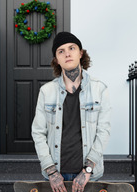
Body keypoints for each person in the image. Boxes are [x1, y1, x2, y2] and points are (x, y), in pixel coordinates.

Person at [32, 32, 111, 192]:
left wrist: (88, 169)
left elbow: (104, 131)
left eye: (72, 48)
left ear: (81, 53)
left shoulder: (99, 89)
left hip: (89, 175)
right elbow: (38, 133)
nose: (67, 53)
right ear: (56, 59)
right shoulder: (46, 91)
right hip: (56, 176)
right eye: (61, 51)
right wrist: (51, 171)